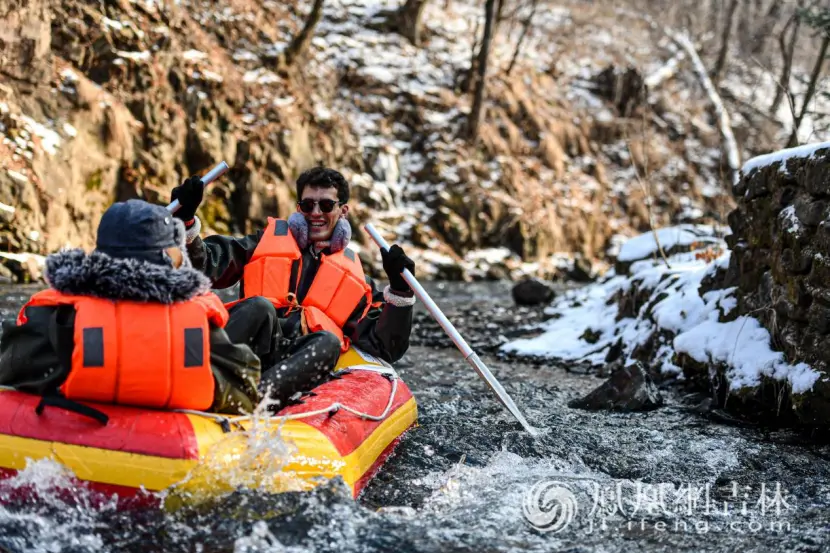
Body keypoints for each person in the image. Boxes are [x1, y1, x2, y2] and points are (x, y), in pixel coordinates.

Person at [170, 166, 416, 407]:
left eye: (326, 205)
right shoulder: (264, 242)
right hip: (250, 347)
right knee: (259, 306)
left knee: (329, 341)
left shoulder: (358, 281)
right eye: (308, 205)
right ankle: (191, 378)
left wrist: (400, 290)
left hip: (292, 365)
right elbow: (205, 266)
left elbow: (385, 346)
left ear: (343, 211)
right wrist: (186, 222)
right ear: (299, 208)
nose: (316, 213)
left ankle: (254, 403)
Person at [0, 199, 261, 417]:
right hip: (173, 449)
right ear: (168, 258)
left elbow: (12, 370)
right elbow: (243, 392)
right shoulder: (198, 323)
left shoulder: (59, 314)